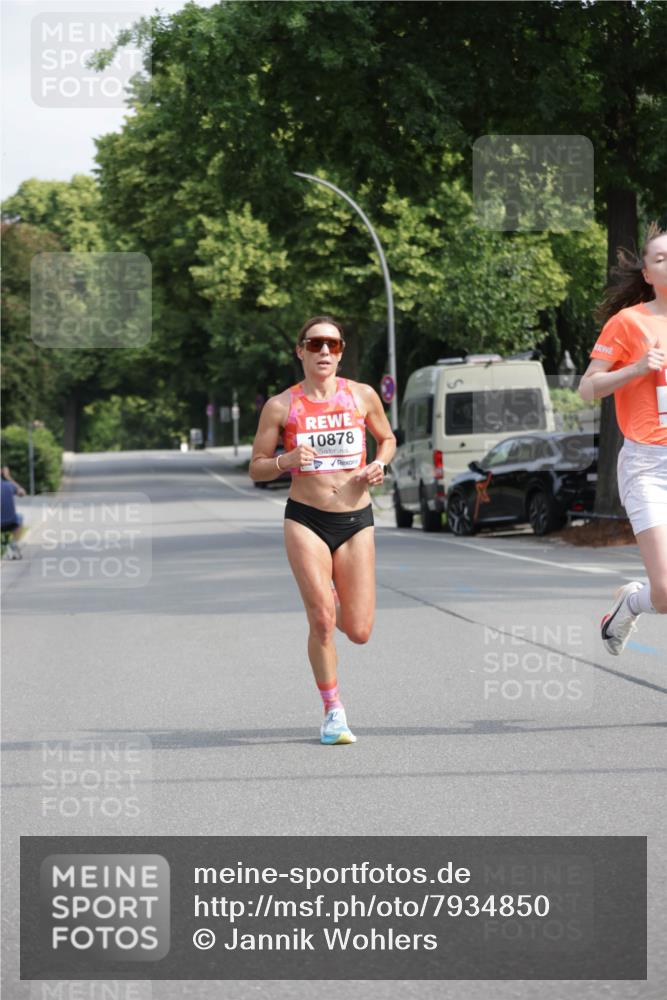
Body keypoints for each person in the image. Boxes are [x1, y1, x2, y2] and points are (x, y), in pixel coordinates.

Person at [250, 316, 396, 743]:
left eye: (332, 344)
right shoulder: (281, 406)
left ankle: (333, 595)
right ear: (301, 351)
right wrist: (285, 461)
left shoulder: (361, 395)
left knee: (359, 631)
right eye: (315, 344)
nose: (324, 351)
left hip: (355, 520)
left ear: (341, 352)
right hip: (306, 519)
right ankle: (333, 711)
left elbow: (387, 439)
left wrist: (379, 464)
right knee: (321, 620)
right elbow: (257, 468)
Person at [579, 223, 667, 654]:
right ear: (647, 274)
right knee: (664, 592)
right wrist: (636, 368)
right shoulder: (628, 322)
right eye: (661, 258)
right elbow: (587, 388)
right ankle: (631, 602)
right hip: (648, 464)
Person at [1, 466, 26, 560]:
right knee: (20, 517)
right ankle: (15, 542)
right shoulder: (9, 485)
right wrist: (8, 477)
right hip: (11, 522)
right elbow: (22, 493)